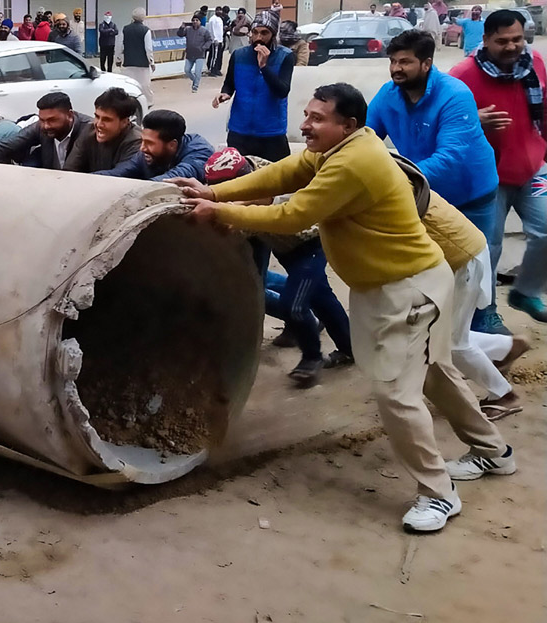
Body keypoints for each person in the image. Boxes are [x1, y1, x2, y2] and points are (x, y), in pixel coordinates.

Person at [174, 83, 514, 533]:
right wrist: (216, 193)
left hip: (406, 289)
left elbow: (291, 214)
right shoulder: (337, 149)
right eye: (307, 114)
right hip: (391, 285)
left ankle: (438, 495)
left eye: (317, 118)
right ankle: (493, 452)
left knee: (396, 394)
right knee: (435, 373)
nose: (305, 124)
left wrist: (220, 212)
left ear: (348, 125)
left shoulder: (354, 162)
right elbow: (283, 173)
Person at [203, 146, 353, 386]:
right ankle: (349, 347)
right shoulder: (256, 166)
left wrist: (226, 214)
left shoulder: (269, 188)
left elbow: (244, 224)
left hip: (310, 243)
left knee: (294, 304)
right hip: (283, 246)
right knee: (321, 297)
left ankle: (311, 357)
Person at [450, 9, 547, 325]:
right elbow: (441, 120)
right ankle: (484, 312)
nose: (511, 46)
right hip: (486, 177)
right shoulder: (462, 75)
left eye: (517, 38)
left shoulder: (535, 65)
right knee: (487, 249)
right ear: (486, 39)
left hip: (532, 167)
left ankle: (526, 291)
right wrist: (473, 119)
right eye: (502, 41)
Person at [366, 29, 499, 239]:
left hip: (471, 194)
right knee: (431, 264)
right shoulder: (387, 94)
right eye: (392, 61)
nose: (396, 69)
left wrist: (391, 179)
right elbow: (364, 138)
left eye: (405, 62)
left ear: (426, 64)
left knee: (477, 264)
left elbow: (450, 158)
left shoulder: (455, 95)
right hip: (426, 192)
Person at [418, 184, 527, 421]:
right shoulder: (384, 168)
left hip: (460, 260)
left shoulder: (370, 174)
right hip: (465, 251)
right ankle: (504, 347)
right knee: (448, 333)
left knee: (450, 342)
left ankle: (502, 395)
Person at [213, 9, 295, 162]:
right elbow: (229, 84)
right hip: (240, 130)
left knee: (276, 179)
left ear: (273, 34)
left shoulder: (285, 56)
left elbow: (282, 91)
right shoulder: (239, 55)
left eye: (264, 33)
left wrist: (264, 67)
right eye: (255, 32)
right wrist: (224, 94)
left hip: (271, 131)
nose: (258, 38)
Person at [0, 91, 90, 170]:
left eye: (52, 120)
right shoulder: (39, 127)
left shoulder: (90, 130)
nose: (45, 126)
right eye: (42, 120)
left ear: (70, 115)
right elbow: (6, 144)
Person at [95, 109, 213, 182]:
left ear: (172, 145)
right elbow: (119, 173)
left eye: (150, 143)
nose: (142, 148)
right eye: (143, 141)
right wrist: (84, 180)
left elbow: (175, 179)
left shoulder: (199, 152)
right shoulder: (146, 155)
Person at [63, 88, 141, 174]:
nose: (99, 124)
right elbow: (69, 171)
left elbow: (121, 175)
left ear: (124, 122)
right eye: (97, 117)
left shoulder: (135, 141)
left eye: (107, 120)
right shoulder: (89, 131)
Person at [115, 8, 155, 108]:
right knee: (145, 85)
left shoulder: (124, 29)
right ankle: (148, 103)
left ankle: (130, 103)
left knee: (129, 84)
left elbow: (119, 46)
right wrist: (152, 62)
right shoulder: (146, 30)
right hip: (142, 63)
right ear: (143, 17)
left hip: (128, 62)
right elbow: (148, 49)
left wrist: (118, 59)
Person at [176, 14, 214, 93]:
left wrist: (204, 48)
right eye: (193, 20)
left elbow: (209, 40)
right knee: (187, 70)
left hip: (200, 54)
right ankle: (195, 80)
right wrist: (181, 27)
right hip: (190, 54)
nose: (195, 22)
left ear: (200, 22)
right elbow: (180, 34)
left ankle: (195, 86)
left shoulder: (204, 31)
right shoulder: (188, 30)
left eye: (197, 20)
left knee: (198, 71)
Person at [205, 6, 226, 77]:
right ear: (216, 11)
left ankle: (216, 69)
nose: (220, 12)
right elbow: (212, 30)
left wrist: (221, 40)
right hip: (215, 41)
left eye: (221, 10)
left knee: (218, 56)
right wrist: (215, 39)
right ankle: (211, 69)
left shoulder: (220, 19)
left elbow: (220, 31)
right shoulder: (213, 19)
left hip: (220, 40)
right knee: (214, 56)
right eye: (218, 10)